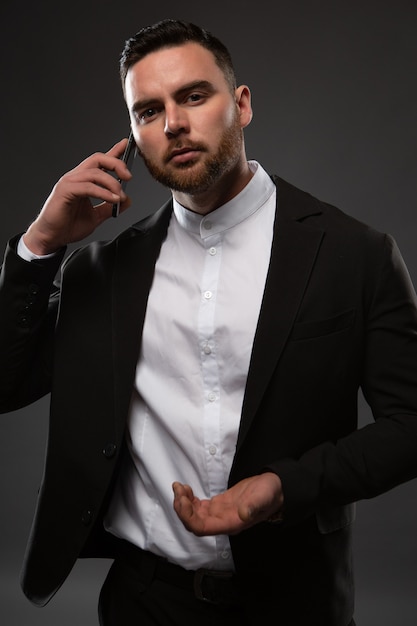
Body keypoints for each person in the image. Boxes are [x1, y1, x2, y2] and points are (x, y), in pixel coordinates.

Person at [1, 18, 417, 626]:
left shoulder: (355, 254)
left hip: (295, 604)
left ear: (242, 104)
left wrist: (284, 486)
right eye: (148, 111)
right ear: (135, 135)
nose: (172, 123)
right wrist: (39, 246)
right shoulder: (104, 271)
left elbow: (411, 422)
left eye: (194, 96)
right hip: (144, 603)